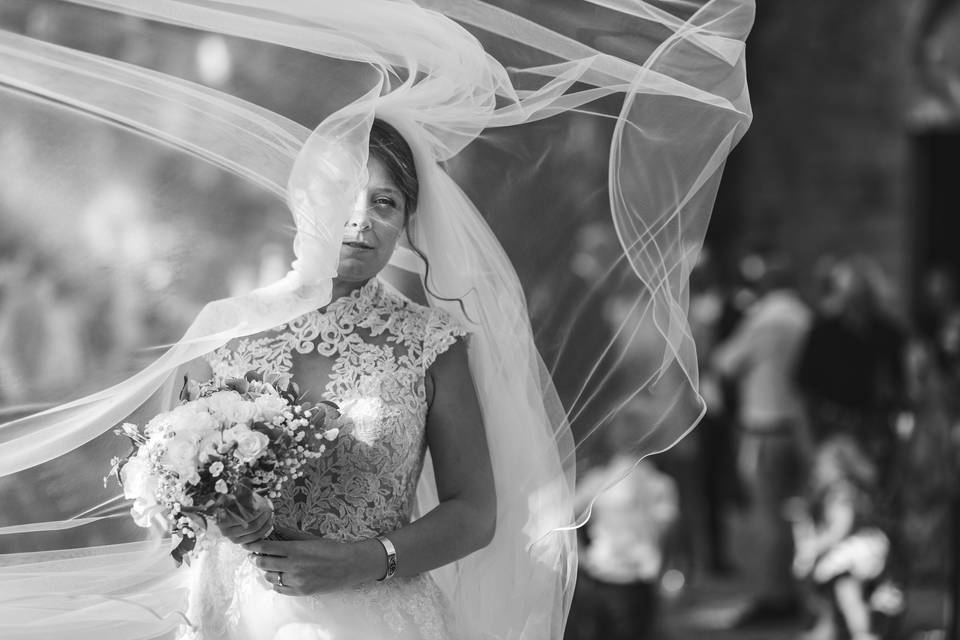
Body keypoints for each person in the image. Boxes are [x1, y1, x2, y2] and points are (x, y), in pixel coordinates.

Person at [0, 2, 753, 639]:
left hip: (380, 617)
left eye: (386, 204)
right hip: (240, 615)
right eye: (346, 198)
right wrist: (214, 517)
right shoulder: (226, 328)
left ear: (408, 227)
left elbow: (476, 512)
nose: (361, 223)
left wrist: (368, 560)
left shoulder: (431, 343)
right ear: (303, 201)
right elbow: (172, 500)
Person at [712, 255, 813, 625]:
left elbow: (727, 360)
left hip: (765, 427)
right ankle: (788, 591)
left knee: (766, 516)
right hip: (796, 428)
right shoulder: (804, 316)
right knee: (788, 514)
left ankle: (773, 595)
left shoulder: (766, 317)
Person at [788, 436, 899, 640]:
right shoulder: (847, 491)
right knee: (838, 592)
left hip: (856, 551)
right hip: (865, 548)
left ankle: (862, 633)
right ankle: (830, 629)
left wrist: (814, 547)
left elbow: (839, 529)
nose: (817, 471)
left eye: (822, 466)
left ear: (839, 467)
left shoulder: (842, 493)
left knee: (847, 592)